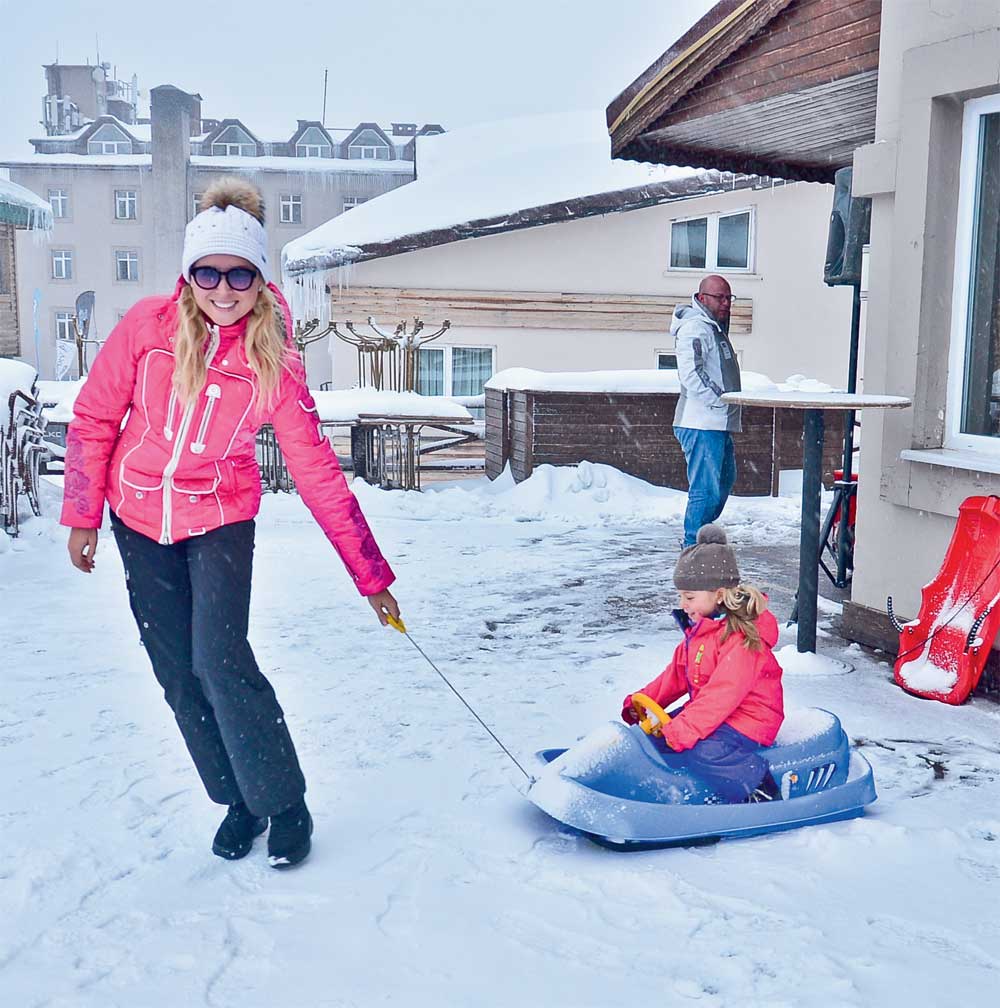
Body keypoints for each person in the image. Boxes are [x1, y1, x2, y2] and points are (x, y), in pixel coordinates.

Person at [62, 178, 400, 869]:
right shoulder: (146, 331)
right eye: (208, 272)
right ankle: (238, 800)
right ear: (189, 276)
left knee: (219, 658)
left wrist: (370, 576)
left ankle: (283, 800)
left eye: (239, 273)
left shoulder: (273, 363)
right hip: (137, 516)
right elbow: (95, 419)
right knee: (178, 672)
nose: (223, 288)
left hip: (218, 516)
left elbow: (318, 475)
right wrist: (83, 513)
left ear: (257, 277)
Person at [621, 524, 783, 803]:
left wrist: (684, 729)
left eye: (690, 597)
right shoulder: (699, 632)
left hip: (750, 718)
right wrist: (642, 700)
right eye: (681, 596)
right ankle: (659, 788)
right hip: (715, 713)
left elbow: (723, 694)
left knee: (701, 750)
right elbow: (674, 676)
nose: (683, 604)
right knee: (655, 739)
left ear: (718, 594)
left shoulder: (743, 639)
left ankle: (758, 791)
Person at [671, 275, 742, 547]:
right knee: (705, 489)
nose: (725, 303)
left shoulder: (713, 328)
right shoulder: (694, 329)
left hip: (717, 423)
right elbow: (692, 375)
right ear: (702, 298)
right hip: (701, 423)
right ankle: (693, 549)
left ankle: (701, 542)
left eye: (728, 297)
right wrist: (719, 400)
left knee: (722, 483)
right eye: (719, 297)